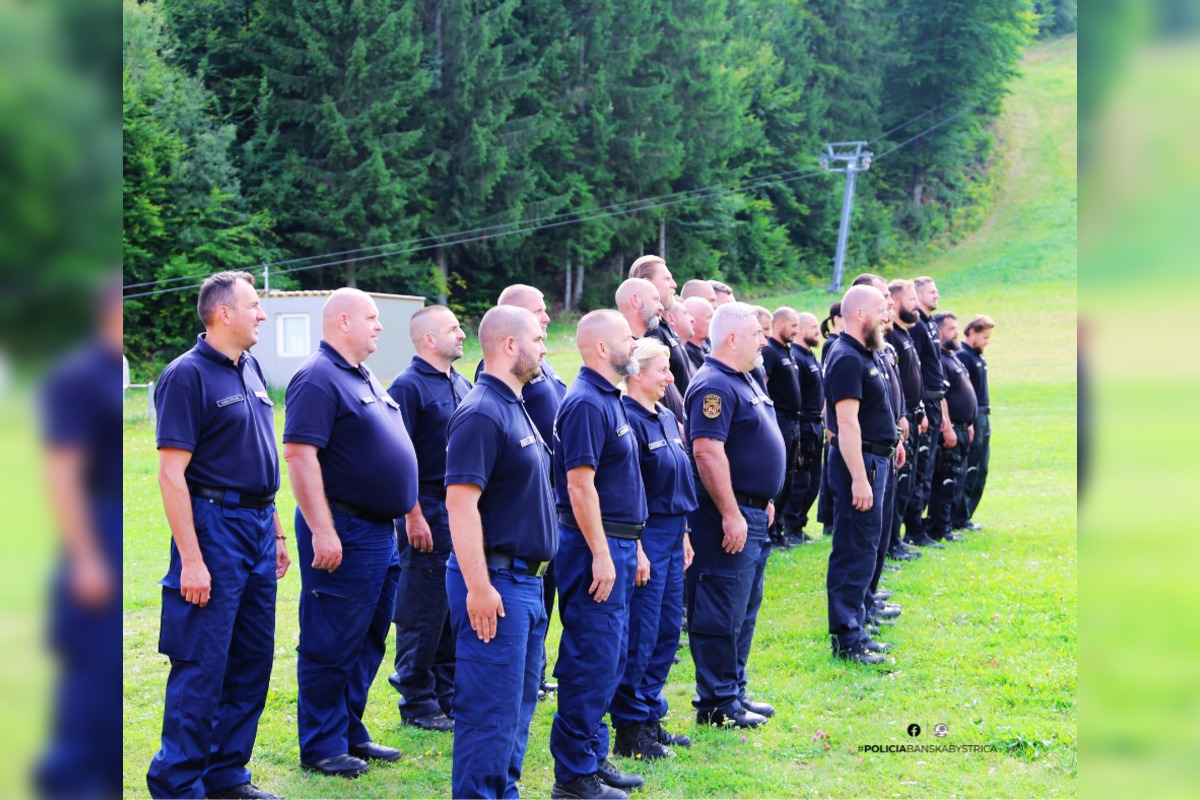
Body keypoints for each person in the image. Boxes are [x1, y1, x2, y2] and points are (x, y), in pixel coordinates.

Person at [146, 272, 290, 800]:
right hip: (213, 528)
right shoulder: (185, 376)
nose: (261, 315)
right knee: (202, 662)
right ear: (223, 314)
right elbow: (170, 475)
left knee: (252, 658)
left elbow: (257, 454)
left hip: (256, 525)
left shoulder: (248, 367)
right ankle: (177, 785)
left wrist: (273, 528)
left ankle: (227, 776)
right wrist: (192, 559)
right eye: (254, 306)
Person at [284, 288, 417, 778]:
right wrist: (322, 529)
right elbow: (300, 455)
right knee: (331, 638)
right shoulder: (317, 378)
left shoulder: (360, 375)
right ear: (342, 321)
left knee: (367, 638)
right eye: (372, 317)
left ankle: (349, 732)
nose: (380, 326)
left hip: (379, 532)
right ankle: (321, 745)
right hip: (343, 526)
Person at [443, 305, 557, 798]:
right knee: (489, 716)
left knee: (515, 712)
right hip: (497, 583)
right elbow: (460, 504)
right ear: (510, 345)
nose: (545, 346)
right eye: (537, 337)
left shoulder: (515, 405)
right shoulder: (482, 412)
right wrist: (480, 586)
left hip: (525, 583)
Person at [550, 310, 647, 800]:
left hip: (618, 542)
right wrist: (602, 554)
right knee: (590, 659)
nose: (636, 344)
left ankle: (592, 755)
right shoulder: (586, 401)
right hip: (595, 546)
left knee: (609, 658)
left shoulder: (609, 397)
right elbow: (579, 485)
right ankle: (573, 777)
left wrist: (631, 547)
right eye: (628, 339)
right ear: (604, 349)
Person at [35, 278, 123, 799]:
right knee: (91, 665)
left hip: (113, 520)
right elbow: (61, 472)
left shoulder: (113, 373)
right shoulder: (77, 376)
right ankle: (67, 780)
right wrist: (86, 558)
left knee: (107, 669)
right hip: (94, 525)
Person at [683, 302, 785, 728]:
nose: (764, 340)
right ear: (731, 338)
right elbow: (707, 451)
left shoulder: (745, 379)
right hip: (728, 514)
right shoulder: (713, 386)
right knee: (721, 607)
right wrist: (731, 511)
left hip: (752, 510)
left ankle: (734, 692)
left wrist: (764, 499)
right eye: (756, 334)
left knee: (744, 607)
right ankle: (717, 703)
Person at [609, 339, 698, 761]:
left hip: (671, 534)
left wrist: (682, 534)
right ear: (636, 373)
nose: (670, 377)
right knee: (640, 636)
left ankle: (649, 715)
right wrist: (639, 547)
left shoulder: (663, 416)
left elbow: (677, 481)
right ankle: (629, 729)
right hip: (645, 538)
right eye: (662, 369)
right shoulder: (627, 419)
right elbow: (629, 492)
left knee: (665, 633)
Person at [386, 305, 471, 731]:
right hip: (427, 506)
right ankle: (417, 701)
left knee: (452, 605)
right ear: (428, 340)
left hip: (459, 508)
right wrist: (412, 514)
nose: (461, 333)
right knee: (423, 607)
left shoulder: (461, 382)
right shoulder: (408, 387)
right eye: (453, 328)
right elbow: (397, 457)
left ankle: (447, 694)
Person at [491, 283, 569, 700]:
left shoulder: (542, 366)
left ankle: (534, 673)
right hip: (526, 499)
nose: (547, 318)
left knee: (544, 594)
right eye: (539, 312)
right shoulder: (503, 383)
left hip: (550, 499)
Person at [823, 285, 901, 665]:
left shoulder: (865, 353)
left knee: (868, 546)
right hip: (862, 462)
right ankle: (847, 637)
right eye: (879, 310)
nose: (886, 317)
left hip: (876, 459)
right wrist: (859, 477)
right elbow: (847, 423)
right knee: (854, 549)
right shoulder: (846, 358)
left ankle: (860, 624)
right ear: (858, 314)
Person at [904, 276, 951, 550]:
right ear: (918, 295)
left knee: (928, 467)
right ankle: (913, 528)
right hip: (924, 405)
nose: (937, 296)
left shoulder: (930, 323)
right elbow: (915, 370)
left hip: (936, 402)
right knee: (919, 469)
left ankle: (918, 526)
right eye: (932, 292)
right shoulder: (916, 327)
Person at [926, 312, 977, 543]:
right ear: (938, 332)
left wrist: (970, 423)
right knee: (945, 479)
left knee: (956, 479)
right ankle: (940, 528)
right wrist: (947, 426)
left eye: (957, 328)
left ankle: (948, 524)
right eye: (951, 329)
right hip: (951, 428)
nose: (956, 332)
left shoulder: (953, 356)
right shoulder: (938, 359)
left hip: (963, 427)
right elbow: (941, 396)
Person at [885, 280, 926, 562]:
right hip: (900, 419)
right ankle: (891, 543)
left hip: (912, 414)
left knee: (908, 481)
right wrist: (901, 416)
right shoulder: (892, 339)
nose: (917, 304)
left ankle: (896, 540)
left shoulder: (906, 335)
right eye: (912, 298)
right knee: (897, 484)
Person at [760, 307, 804, 548]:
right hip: (779, 420)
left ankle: (779, 529)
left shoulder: (788, 351)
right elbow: (763, 385)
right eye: (793, 325)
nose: (797, 331)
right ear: (779, 325)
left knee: (790, 476)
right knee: (778, 476)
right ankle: (770, 530)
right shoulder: (771, 352)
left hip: (793, 421)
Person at [615, 277, 684, 422]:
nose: (661, 307)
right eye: (655, 299)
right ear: (636, 300)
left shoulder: (649, 344)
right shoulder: (619, 355)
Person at [628, 256, 694, 397]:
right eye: (667, 279)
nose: (674, 284)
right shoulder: (650, 330)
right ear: (647, 283)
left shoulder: (661, 324)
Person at [787, 312, 825, 543]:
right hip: (803, 424)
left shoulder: (811, 356)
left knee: (813, 480)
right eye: (813, 327)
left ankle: (800, 524)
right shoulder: (796, 357)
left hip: (816, 423)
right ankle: (790, 527)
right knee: (801, 478)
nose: (818, 331)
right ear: (800, 329)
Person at [955, 314, 994, 530]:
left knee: (982, 467)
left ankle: (967, 513)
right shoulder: (964, 356)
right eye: (985, 337)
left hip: (983, 414)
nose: (987, 341)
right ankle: (959, 515)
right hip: (973, 415)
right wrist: (970, 419)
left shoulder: (979, 357)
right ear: (972, 333)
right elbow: (964, 392)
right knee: (971, 465)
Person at [682, 296, 714, 368]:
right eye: (710, 317)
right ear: (692, 321)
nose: (714, 322)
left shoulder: (705, 347)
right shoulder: (686, 354)